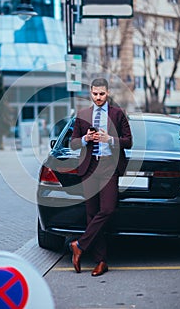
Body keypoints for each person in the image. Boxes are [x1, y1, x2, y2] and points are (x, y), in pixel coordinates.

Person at [70, 77, 132, 276]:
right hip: (89, 167)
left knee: (107, 209)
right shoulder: (82, 115)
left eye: (102, 94)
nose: (98, 98)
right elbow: (73, 144)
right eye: (95, 94)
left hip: (108, 166)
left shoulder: (117, 114)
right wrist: (86, 139)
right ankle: (100, 261)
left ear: (107, 93)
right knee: (91, 214)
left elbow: (129, 142)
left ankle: (79, 245)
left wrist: (110, 139)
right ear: (90, 93)